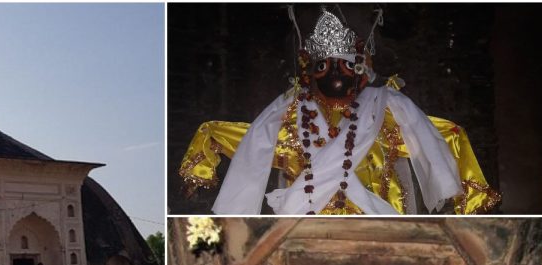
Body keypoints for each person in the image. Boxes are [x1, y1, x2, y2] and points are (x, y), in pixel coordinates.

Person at [179, 7, 500, 215]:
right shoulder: (287, 117)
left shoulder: (388, 111)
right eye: (323, 65)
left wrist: (471, 197)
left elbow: (449, 136)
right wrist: (200, 169)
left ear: (361, 69)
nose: (334, 72)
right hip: (304, 230)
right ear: (309, 71)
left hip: (381, 222)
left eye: (345, 64)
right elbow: (219, 133)